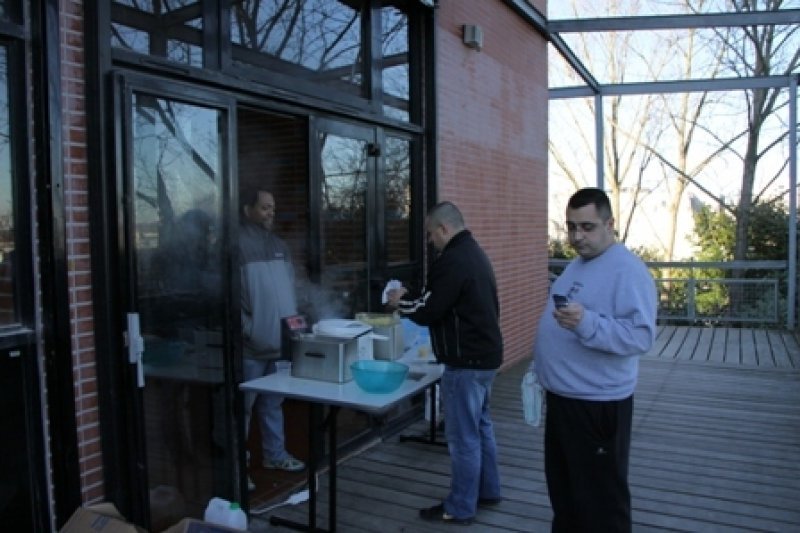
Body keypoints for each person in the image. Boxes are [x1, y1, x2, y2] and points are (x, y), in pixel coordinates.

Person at [533, 187, 657, 532]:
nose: (577, 236)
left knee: (601, 505)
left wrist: (587, 323)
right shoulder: (579, 264)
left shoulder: (627, 270)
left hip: (597, 407)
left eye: (587, 227)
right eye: (571, 227)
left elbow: (641, 336)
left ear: (610, 224)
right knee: (567, 496)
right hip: (564, 401)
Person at [388, 201, 503, 526]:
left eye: (430, 234)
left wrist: (399, 302)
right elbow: (440, 299)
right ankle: (488, 491)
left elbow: (429, 309)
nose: (429, 241)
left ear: (443, 228)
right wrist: (414, 297)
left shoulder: (452, 260)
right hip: (486, 357)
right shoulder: (474, 253)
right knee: (481, 427)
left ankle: (461, 507)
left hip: (466, 363)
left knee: (463, 437)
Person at [240, 188, 306, 489]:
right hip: (251, 346)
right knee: (242, 408)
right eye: (265, 207)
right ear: (247, 210)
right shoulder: (236, 247)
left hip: (280, 342)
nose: (271, 213)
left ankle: (274, 455)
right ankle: (237, 468)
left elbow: (290, 290)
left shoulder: (280, 245)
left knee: (272, 403)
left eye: (273, 208)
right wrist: (250, 329)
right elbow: (227, 300)